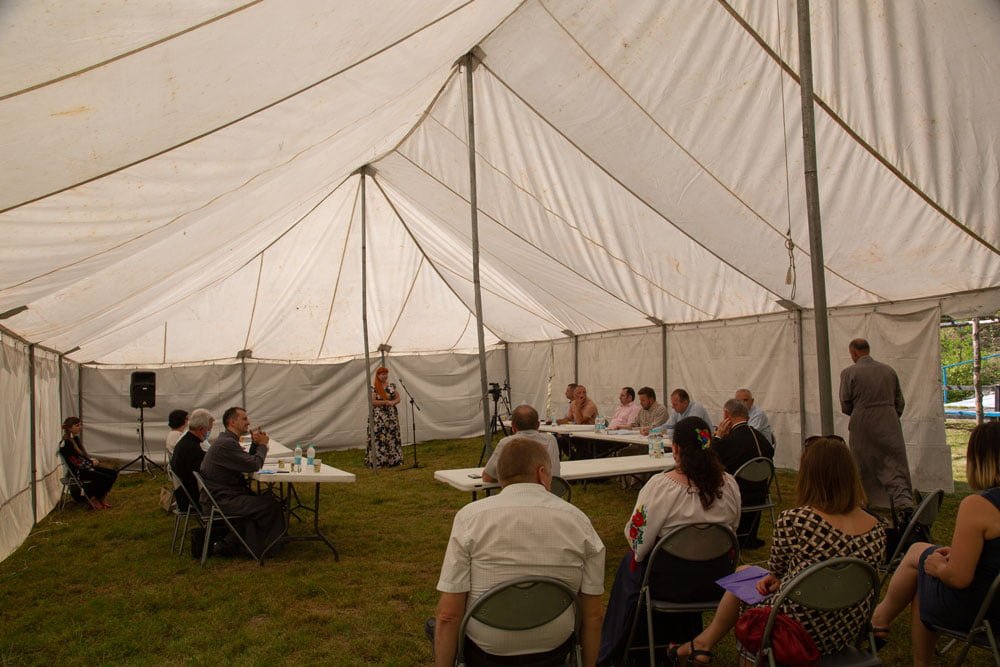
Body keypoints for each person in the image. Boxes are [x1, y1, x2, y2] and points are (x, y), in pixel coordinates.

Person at [671, 436, 885, 664]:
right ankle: (702, 643)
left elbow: (774, 573)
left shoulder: (797, 520)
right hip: (846, 627)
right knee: (746, 572)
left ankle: (706, 645)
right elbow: (833, 571)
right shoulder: (877, 528)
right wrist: (783, 582)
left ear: (809, 475)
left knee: (746, 583)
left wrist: (779, 581)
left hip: (797, 631)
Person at [433, 438, 606, 666]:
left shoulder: (470, 518)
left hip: (486, 649)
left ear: (501, 476)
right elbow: (594, 615)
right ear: (542, 473)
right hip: (554, 646)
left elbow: (448, 615)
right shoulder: (579, 521)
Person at [598, 417, 740, 664]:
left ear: (675, 449)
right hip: (715, 582)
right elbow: (732, 532)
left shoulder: (661, 486)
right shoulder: (729, 485)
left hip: (668, 584)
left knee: (629, 566)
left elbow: (638, 541)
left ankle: (620, 647)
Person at [872, 421, 1000, 666]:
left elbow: (959, 578)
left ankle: (888, 629)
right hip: (993, 595)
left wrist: (939, 568)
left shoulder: (979, 506)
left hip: (985, 612)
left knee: (926, 572)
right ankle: (880, 617)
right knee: (920, 552)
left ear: (980, 459)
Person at [838, 338, 913, 512]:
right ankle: (902, 501)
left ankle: (866, 501)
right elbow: (899, 401)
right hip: (889, 421)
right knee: (895, 463)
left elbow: (845, 403)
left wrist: (861, 413)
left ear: (854, 352)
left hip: (863, 422)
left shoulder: (849, 373)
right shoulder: (888, 371)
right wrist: (890, 416)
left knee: (863, 463)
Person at [199, 406, 284, 558]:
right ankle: (270, 549)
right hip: (222, 499)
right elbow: (253, 465)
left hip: (220, 494)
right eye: (244, 419)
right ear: (232, 422)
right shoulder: (227, 443)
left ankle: (256, 545)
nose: (248, 422)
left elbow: (244, 462)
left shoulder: (226, 440)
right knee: (271, 505)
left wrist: (255, 444)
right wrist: (263, 445)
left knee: (266, 500)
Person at [712, 398, 775, 549]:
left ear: (726, 415)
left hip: (735, 496)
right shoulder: (760, 438)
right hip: (760, 494)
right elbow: (770, 453)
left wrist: (718, 436)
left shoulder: (730, 442)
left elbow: (711, 458)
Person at [482, 405, 560, 483]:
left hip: (520, 492)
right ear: (538, 425)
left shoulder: (506, 443)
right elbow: (554, 475)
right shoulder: (551, 440)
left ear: (513, 426)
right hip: (549, 491)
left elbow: (488, 477)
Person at [58, 417, 118, 510]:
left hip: (85, 467)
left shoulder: (75, 439)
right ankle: (95, 498)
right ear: (70, 428)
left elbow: (82, 457)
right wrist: (91, 463)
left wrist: (91, 461)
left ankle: (101, 496)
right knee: (105, 477)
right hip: (78, 472)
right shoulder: (66, 444)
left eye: (80, 425)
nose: (80, 427)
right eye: (77, 425)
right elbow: (76, 461)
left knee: (113, 472)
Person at [169, 408, 214, 513]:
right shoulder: (191, 447)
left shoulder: (186, 442)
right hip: (193, 500)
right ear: (201, 429)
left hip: (184, 495)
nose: (209, 433)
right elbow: (206, 471)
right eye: (208, 430)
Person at [366, 366, 403, 468]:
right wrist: (385, 402)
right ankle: (380, 460)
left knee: (392, 436)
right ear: (378, 375)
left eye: (386, 374)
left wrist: (393, 403)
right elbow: (373, 402)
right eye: (382, 374)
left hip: (391, 416)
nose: (385, 376)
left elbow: (398, 398)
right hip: (379, 417)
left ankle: (393, 460)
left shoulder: (390, 386)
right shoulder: (373, 387)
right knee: (380, 437)